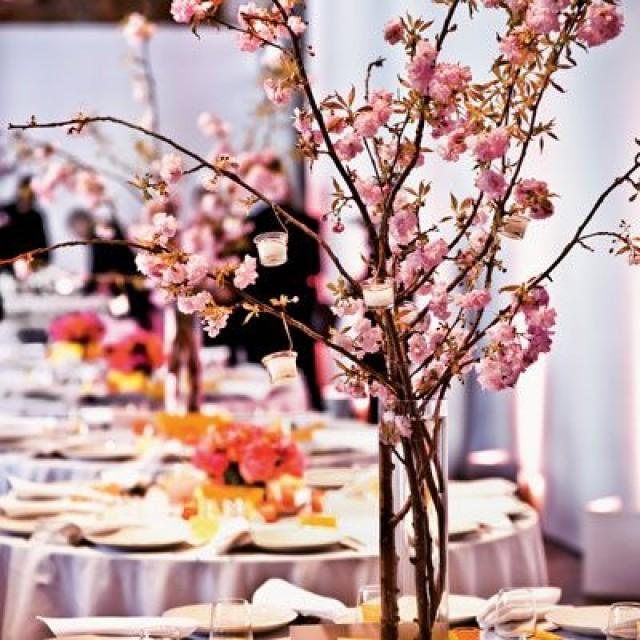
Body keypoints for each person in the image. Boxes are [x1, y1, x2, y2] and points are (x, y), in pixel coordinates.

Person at [238, 157, 325, 410]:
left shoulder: (251, 226)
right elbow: (314, 268)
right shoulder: (304, 223)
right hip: (291, 310)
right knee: (296, 377)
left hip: (270, 312)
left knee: (270, 385)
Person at [67, 209, 152, 329]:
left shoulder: (101, 233)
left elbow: (98, 267)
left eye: (75, 229)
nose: (76, 234)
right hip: (127, 277)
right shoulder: (100, 231)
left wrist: (87, 287)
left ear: (82, 223)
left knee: (138, 317)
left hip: (128, 278)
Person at [0, 176, 50, 272]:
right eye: (23, 192)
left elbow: (43, 249)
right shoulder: (5, 211)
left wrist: (32, 265)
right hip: (4, 266)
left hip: (28, 268)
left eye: (30, 195)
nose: (25, 198)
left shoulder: (36, 217)